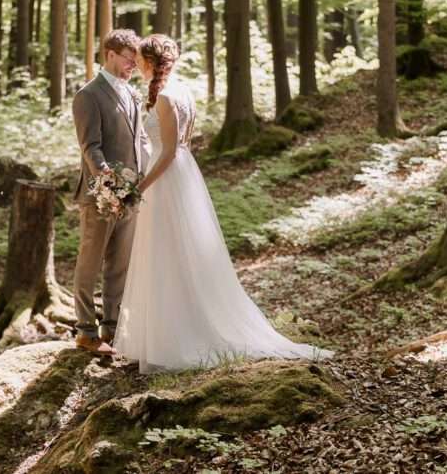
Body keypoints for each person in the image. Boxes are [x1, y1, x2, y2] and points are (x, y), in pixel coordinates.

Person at [113, 34, 334, 373]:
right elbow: (183, 144)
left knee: (166, 255)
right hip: (182, 176)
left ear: (149, 62)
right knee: (173, 254)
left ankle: (177, 337)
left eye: (141, 59)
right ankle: (164, 332)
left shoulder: (166, 98)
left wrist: (140, 186)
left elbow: (170, 150)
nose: (137, 64)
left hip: (167, 179)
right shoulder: (181, 92)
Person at [71, 29, 150, 356]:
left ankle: (113, 327)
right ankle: (86, 330)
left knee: (120, 263)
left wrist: (143, 175)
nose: (133, 64)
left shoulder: (131, 93)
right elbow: (91, 145)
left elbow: (140, 138)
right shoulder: (88, 95)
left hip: (131, 193)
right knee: (90, 263)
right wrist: (105, 178)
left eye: (135, 59)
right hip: (100, 194)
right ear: (110, 54)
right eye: (128, 58)